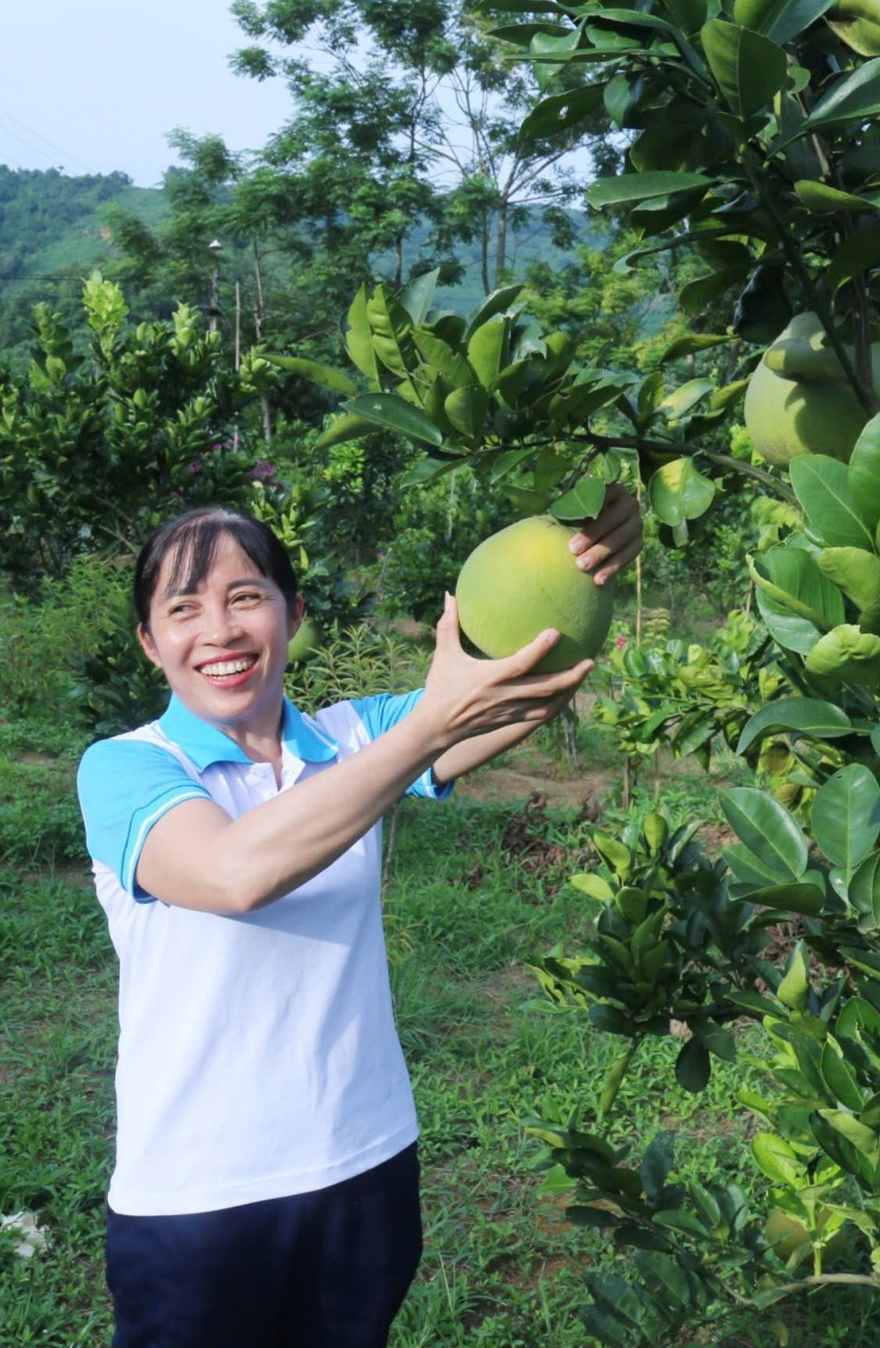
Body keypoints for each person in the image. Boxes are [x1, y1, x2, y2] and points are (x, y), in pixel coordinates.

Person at [75, 488, 643, 1347]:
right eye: (184, 609)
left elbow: (524, 686)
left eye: (246, 597)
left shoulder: (352, 739)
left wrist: (585, 555)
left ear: (291, 614)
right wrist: (418, 736)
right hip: (197, 1201)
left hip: (363, 1166)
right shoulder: (124, 769)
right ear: (152, 643)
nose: (220, 632)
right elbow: (234, 873)